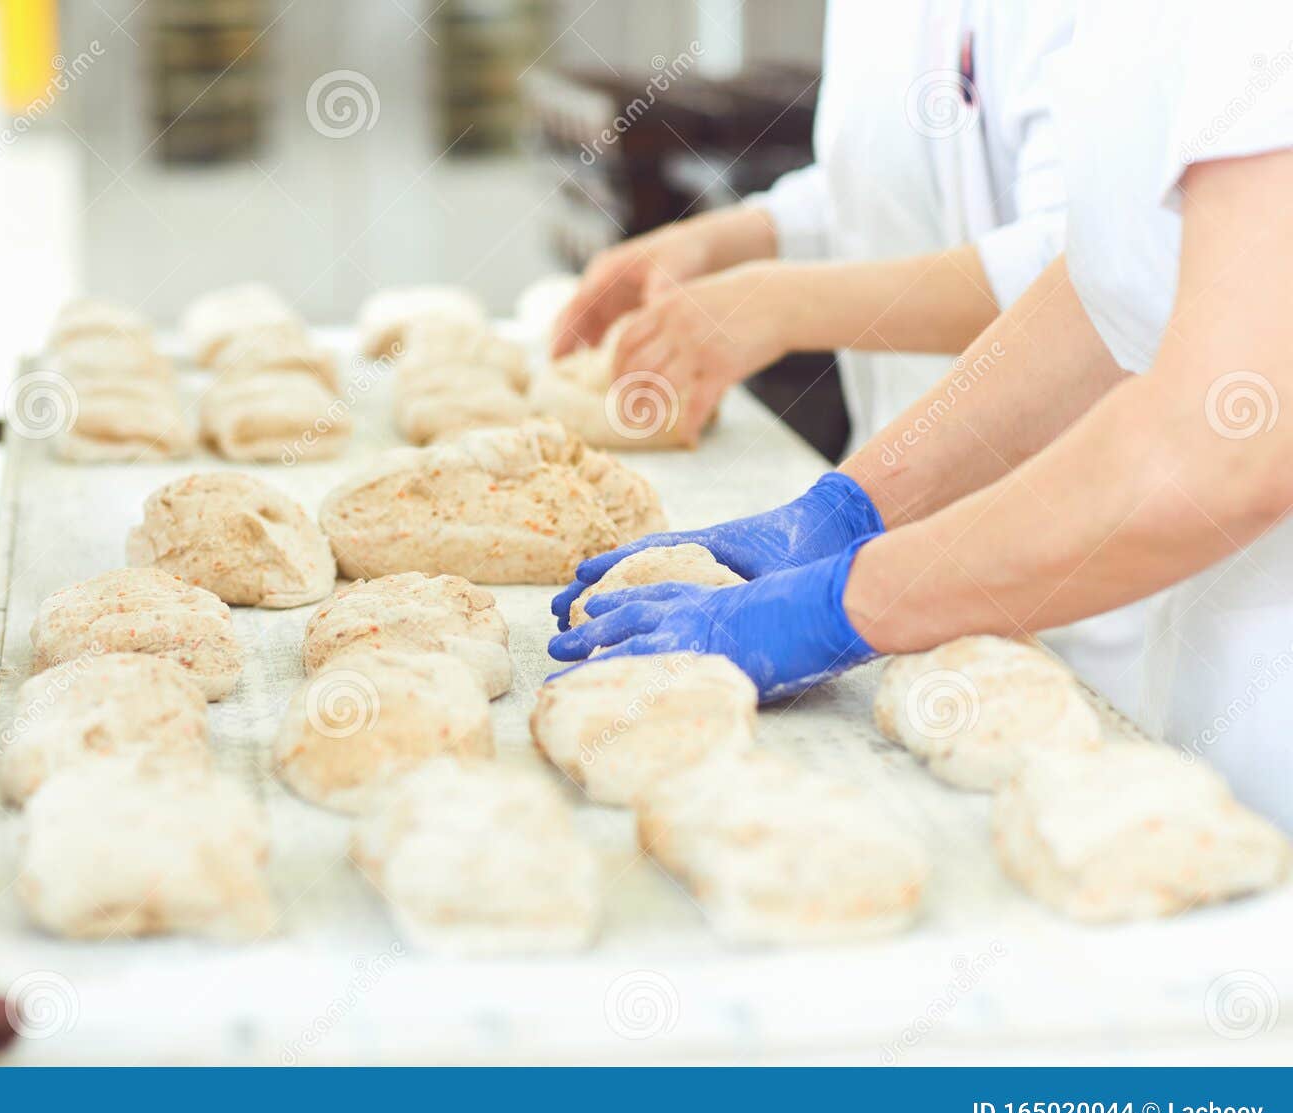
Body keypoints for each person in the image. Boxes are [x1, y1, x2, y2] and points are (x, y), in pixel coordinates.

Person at [549, 2, 1293, 831]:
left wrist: (848, 602)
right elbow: (1120, 284)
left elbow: (1226, 443)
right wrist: (854, 508)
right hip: (1213, 697)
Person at [550, 1, 1152, 717]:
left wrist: (780, 305)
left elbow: (1102, 272)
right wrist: (736, 237)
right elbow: (873, 175)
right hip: (900, 526)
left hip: (1083, 591)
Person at [553, 0, 1075, 453]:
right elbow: (885, 179)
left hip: (1060, 523)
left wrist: (782, 305)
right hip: (896, 481)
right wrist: (723, 239)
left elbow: (1076, 270)